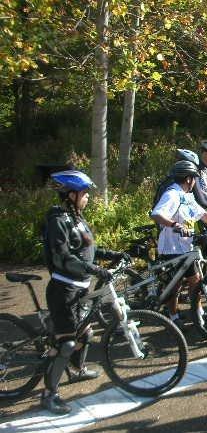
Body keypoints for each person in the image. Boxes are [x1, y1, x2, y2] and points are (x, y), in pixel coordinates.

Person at [42, 170, 127, 414]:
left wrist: (113, 255)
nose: (88, 197)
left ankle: (77, 371)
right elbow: (63, 258)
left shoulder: (77, 218)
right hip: (63, 290)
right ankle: (49, 395)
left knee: (86, 333)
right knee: (66, 344)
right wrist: (96, 271)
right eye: (84, 193)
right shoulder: (57, 220)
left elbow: (89, 250)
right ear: (71, 194)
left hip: (80, 288)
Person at [150, 160, 207, 329]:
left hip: (186, 248)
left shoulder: (187, 196)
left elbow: (202, 214)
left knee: (196, 281)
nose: (195, 181)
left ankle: (198, 314)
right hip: (171, 248)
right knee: (175, 286)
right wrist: (175, 225)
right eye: (194, 178)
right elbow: (156, 214)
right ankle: (174, 318)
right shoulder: (172, 194)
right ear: (188, 179)